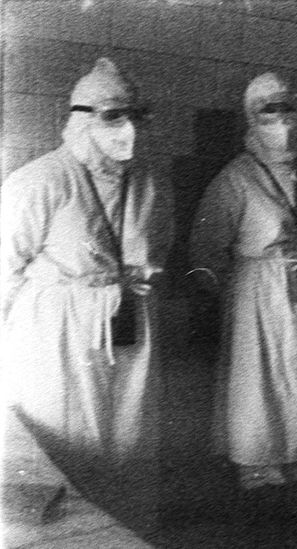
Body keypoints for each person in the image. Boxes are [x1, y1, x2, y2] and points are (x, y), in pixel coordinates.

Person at [1, 58, 171, 525]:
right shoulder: (39, 182)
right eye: (112, 116)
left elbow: (159, 247)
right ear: (81, 117)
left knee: (127, 437)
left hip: (130, 326)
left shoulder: (151, 183)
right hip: (56, 336)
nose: (128, 128)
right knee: (67, 440)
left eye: (135, 115)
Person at [189, 73, 297, 491]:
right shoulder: (235, 178)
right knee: (260, 383)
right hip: (258, 291)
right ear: (251, 118)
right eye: (268, 111)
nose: (281, 121)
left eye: (287, 109)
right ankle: (258, 473)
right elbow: (205, 248)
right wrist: (230, 294)